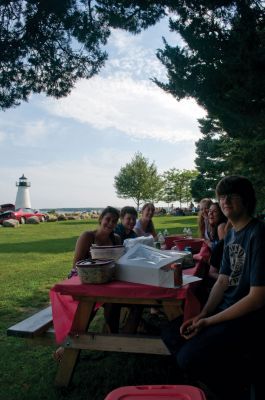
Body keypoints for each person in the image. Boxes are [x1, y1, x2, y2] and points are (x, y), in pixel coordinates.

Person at [161, 176, 265, 399]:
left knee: (188, 358)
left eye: (231, 195)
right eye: (222, 196)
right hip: (223, 312)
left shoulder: (258, 234)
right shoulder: (232, 235)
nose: (225, 200)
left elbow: (257, 298)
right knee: (170, 332)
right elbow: (222, 280)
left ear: (246, 199)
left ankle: (234, 389)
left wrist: (209, 321)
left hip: (247, 318)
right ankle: (229, 379)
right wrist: (203, 314)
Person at [53, 206, 121, 362]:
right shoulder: (88, 236)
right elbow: (76, 264)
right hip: (83, 279)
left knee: (115, 301)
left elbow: (118, 263)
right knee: (88, 305)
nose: (110, 223)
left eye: (114, 221)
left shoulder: (116, 239)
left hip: (106, 280)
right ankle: (68, 344)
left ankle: (113, 338)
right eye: (108, 219)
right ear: (101, 219)